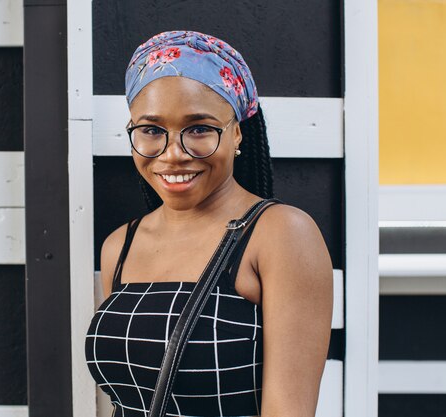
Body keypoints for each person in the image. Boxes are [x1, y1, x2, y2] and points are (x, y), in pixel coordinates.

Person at [85, 30, 333, 417]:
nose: (173, 154)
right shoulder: (121, 244)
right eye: (151, 130)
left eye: (199, 129)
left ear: (237, 133)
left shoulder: (279, 234)